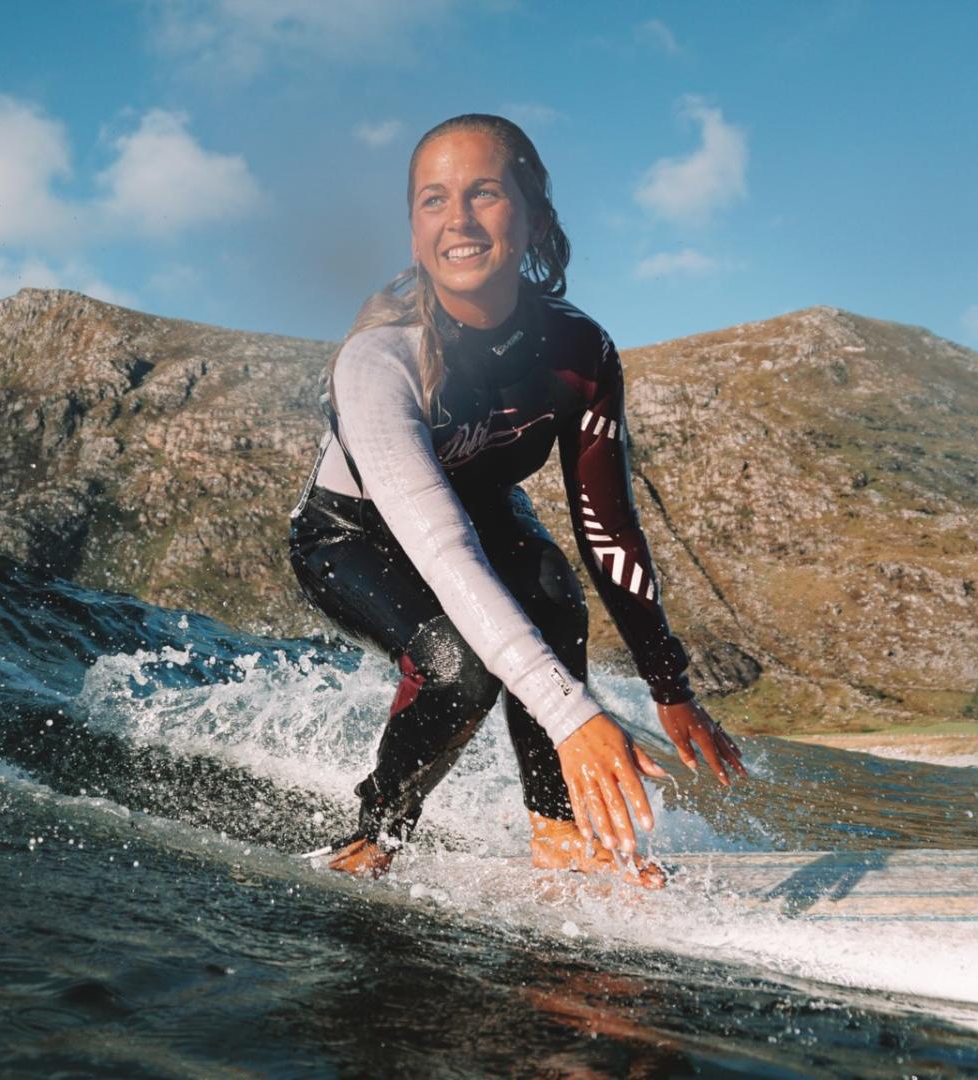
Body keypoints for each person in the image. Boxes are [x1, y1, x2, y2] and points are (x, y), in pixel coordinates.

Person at [286, 114, 746, 887]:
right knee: (458, 667)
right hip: (352, 533)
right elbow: (440, 548)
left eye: (484, 193)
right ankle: (375, 834)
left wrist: (669, 684)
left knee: (554, 597)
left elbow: (610, 530)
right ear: (412, 229)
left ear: (533, 218)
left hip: (483, 514)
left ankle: (559, 831)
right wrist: (575, 720)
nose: (457, 220)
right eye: (433, 201)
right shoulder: (379, 357)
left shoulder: (579, 351)